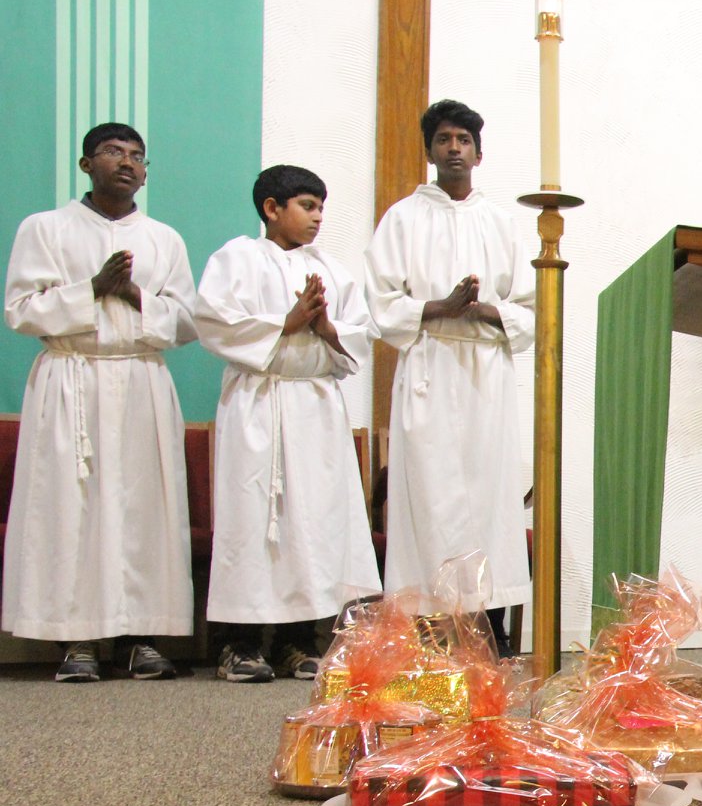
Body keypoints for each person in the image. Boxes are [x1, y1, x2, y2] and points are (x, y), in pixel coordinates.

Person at [3, 123, 197, 681]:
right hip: (71, 378)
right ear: (86, 164)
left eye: (138, 155)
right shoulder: (45, 228)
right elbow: (20, 309)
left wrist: (133, 292)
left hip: (139, 378)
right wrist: (89, 289)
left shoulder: (164, 238)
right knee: (70, 507)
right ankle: (77, 640)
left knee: (143, 508)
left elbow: (187, 322)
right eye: (113, 152)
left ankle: (142, 638)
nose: (127, 163)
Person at [195, 165, 381, 682]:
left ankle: (299, 640)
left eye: (321, 206)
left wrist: (326, 327)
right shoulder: (235, 258)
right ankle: (240, 643)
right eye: (306, 205)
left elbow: (360, 335)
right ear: (271, 209)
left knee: (313, 524)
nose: (317, 217)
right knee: (253, 522)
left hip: (315, 405)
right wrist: (286, 324)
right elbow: (212, 321)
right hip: (259, 401)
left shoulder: (332, 270)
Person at [364, 99, 535, 654]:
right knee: (428, 494)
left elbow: (536, 308)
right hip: (430, 368)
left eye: (464, 138)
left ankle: (485, 623)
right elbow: (381, 302)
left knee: (490, 493)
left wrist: (483, 309)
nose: (454, 147)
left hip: (486, 373)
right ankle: (427, 624)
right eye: (443, 139)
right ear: (430, 150)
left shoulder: (503, 222)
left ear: (479, 153)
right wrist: (437, 306)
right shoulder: (403, 218)